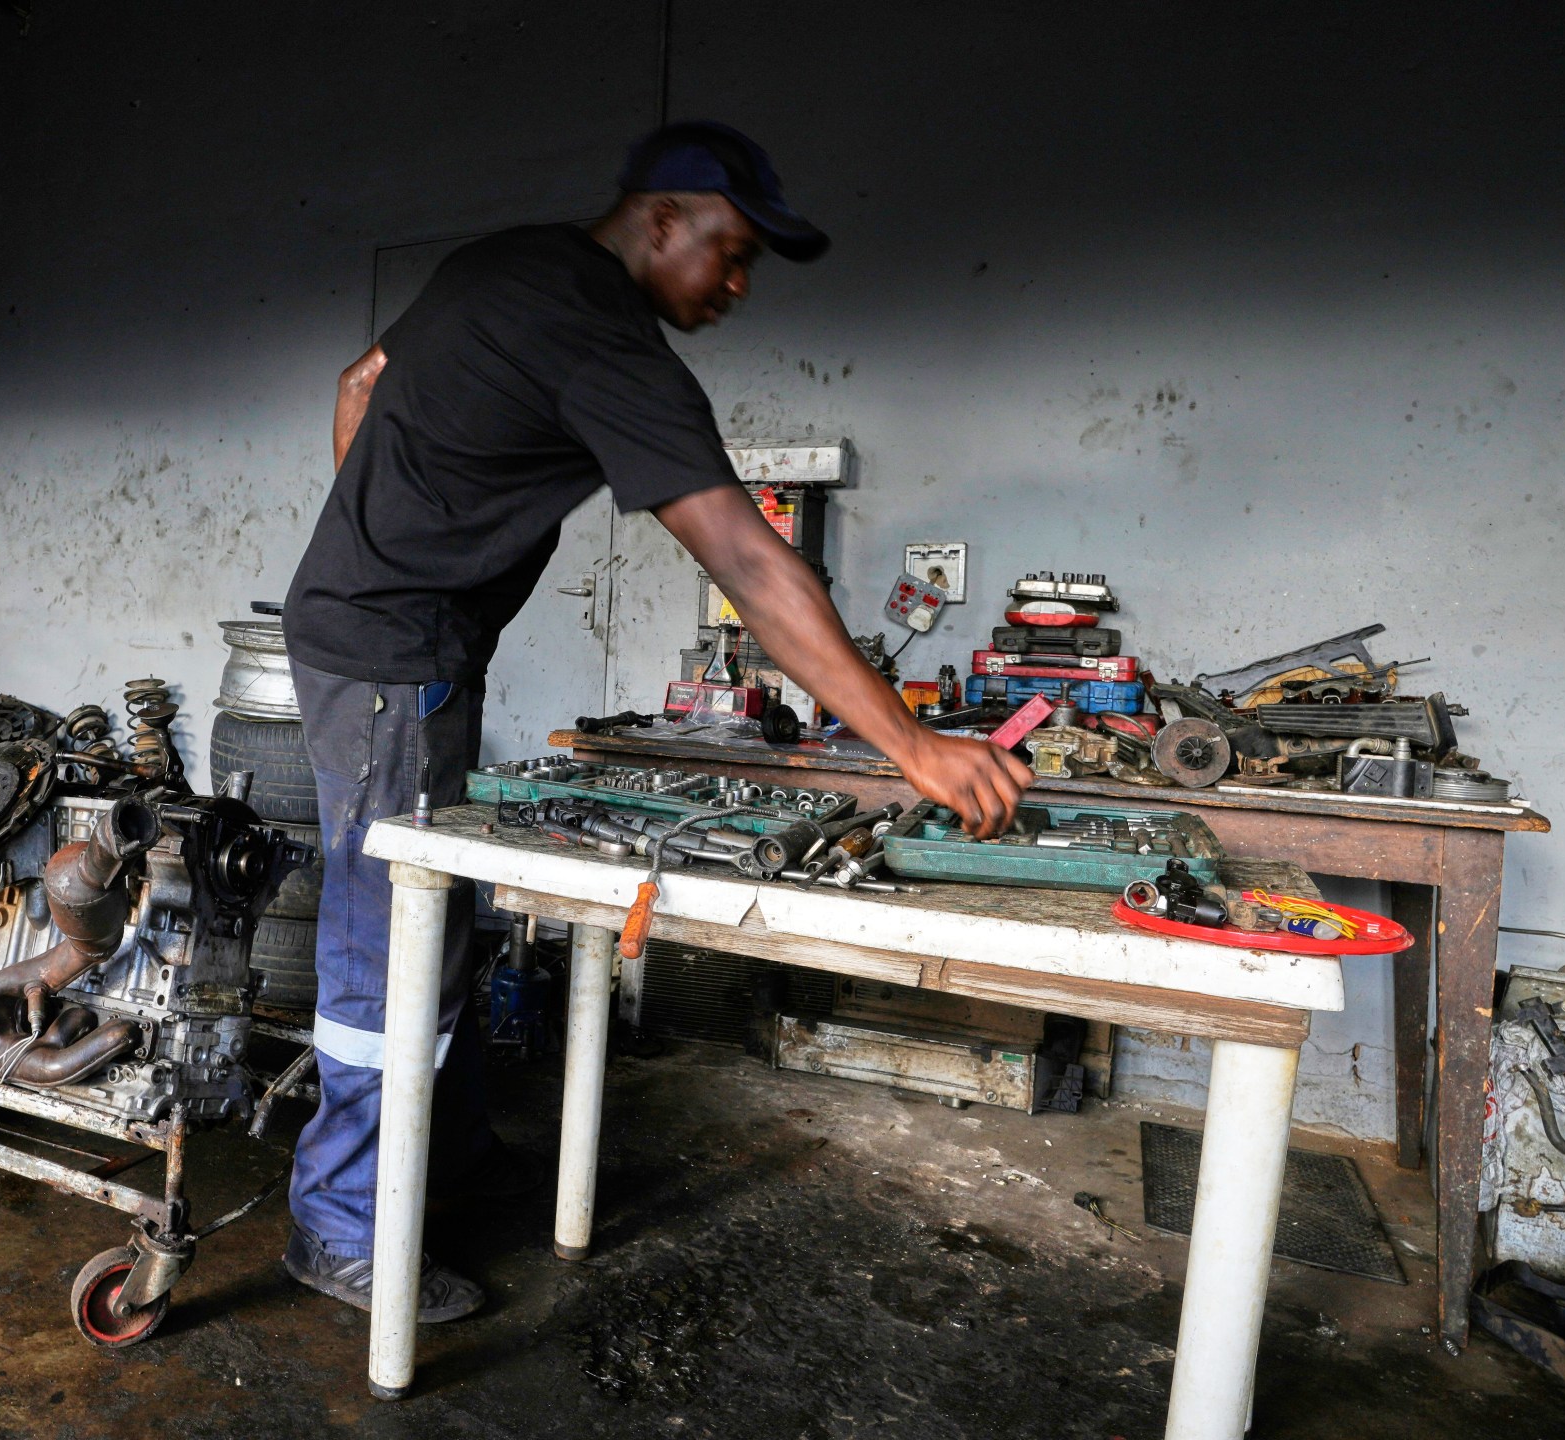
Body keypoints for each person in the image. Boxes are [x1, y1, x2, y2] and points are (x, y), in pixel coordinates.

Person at [275, 121, 1034, 1320]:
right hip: (386, 658)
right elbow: (743, 552)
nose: (735, 286)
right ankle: (341, 1227)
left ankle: (448, 1162)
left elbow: (357, 384)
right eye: (728, 253)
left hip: (371, 635)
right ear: (663, 218)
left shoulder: (506, 260)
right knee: (386, 939)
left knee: (439, 913)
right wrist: (913, 746)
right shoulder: (604, 341)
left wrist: (375, 536)